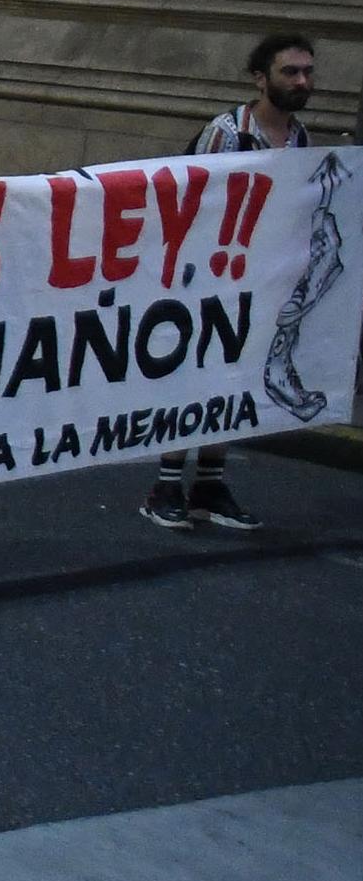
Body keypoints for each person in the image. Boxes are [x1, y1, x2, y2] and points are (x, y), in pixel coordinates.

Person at [145, 32, 317, 534]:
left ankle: (210, 484)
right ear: (260, 78)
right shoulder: (228, 133)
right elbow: (195, 201)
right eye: (290, 72)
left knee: (236, 379)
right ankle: (167, 483)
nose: (302, 81)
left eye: (307, 71)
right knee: (196, 376)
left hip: (263, 279)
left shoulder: (300, 137)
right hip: (211, 278)